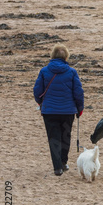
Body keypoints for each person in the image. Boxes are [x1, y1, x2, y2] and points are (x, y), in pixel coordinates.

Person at [33, 44, 84, 176]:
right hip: (68, 111)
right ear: (66, 57)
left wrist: (40, 103)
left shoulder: (44, 71)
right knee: (65, 136)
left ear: (52, 55)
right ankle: (63, 162)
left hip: (49, 111)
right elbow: (78, 92)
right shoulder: (72, 72)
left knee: (53, 138)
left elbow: (37, 91)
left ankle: (57, 167)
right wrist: (80, 108)